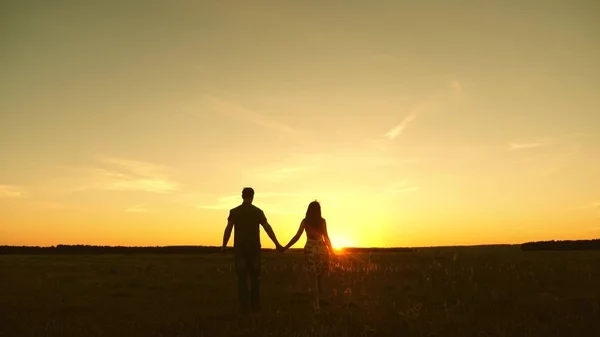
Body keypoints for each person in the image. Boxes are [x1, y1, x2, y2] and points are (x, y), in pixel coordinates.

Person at [221, 187, 283, 313]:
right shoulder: (258, 212)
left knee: (242, 279)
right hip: (254, 249)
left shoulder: (234, 211)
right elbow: (267, 228)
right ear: (252, 196)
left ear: (242, 196)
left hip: (240, 250)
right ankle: (255, 306)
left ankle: (244, 307)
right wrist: (277, 243)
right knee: (255, 278)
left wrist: (224, 245)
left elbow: (228, 229)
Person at [282, 200, 334, 311]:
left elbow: (297, 237)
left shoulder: (305, 221)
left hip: (311, 250)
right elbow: (326, 237)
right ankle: (318, 302)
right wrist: (333, 252)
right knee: (319, 279)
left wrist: (285, 247)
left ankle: (316, 305)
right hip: (322, 250)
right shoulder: (322, 221)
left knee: (313, 279)